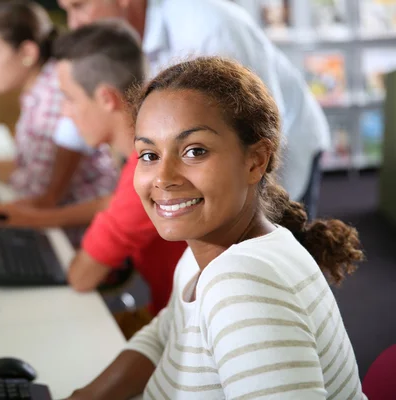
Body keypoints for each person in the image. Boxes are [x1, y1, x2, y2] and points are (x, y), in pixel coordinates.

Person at [66, 56, 365, 400]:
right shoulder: (201, 256)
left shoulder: (242, 284)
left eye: (195, 151)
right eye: (149, 155)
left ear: (255, 161)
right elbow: (165, 335)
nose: (163, 177)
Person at [0, 20, 187, 338]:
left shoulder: (151, 176)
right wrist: (37, 218)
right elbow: (111, 203)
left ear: (106, 98)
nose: (64, 113)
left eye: (70, 98)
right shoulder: (150, 147)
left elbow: (81, 276)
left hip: (175, 334)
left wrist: (38, 220)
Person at [57, 0, 330, 219]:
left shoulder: (207, 30)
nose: (74, 23)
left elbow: (261, 124)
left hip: (282, 145)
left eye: (79, 6)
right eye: (66, 10)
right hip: (221, 156)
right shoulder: (115, 40)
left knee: (278, 257)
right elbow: (79, 114)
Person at [0, 0, 119, 243]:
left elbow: (42, 197)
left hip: (76, 239)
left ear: (27, 53)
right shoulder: (39, 89)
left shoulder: (52, 99)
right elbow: (32, 167)